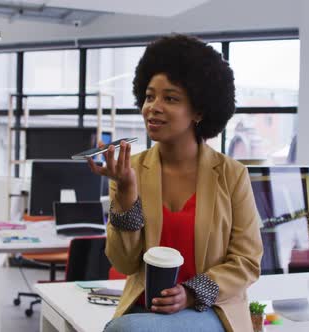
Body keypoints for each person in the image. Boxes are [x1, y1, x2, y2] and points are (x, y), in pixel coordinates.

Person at [87, 34, 263, 332]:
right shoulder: (129, 171)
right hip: (145, 308)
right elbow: (124, 263)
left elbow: (247, 261)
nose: (152, 107)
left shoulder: (232, 175)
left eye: (170, 98)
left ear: (198, 111)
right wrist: (127, 193)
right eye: (149, 96)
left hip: (209, 307)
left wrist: (191, 292)